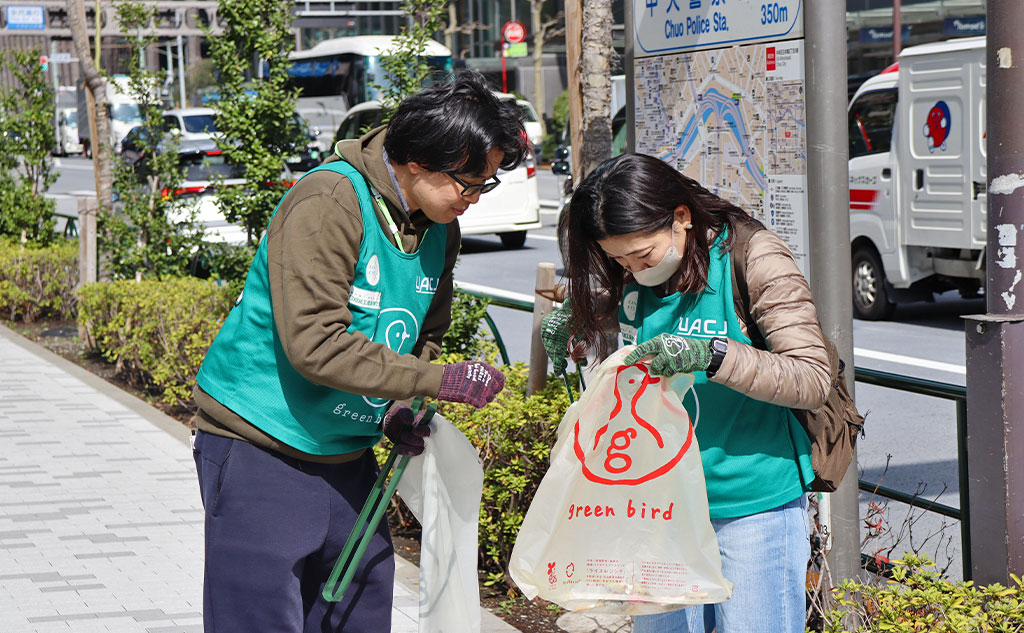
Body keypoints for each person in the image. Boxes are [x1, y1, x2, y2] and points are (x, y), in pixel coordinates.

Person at [191, 70, 527, 632]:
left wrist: (401, 408)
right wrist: (437, 381)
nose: (471, 200)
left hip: (348, 451)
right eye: (466, 184)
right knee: (259, 617)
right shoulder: (329, 200)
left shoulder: (439, 224)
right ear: (416, 161)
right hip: (261, 442)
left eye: (483, 186)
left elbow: (425, 335)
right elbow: (315, 344)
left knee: (360, 607)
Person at [542, 153, 831, 633]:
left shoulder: (753, 257)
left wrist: (711, 355)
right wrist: (585, 318)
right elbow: (644, 316)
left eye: (644, 255)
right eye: (618, 260)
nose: (633, 269)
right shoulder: (638, 279)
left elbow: (811, 377)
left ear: (681, 217)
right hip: (658, 508)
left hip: (750, 503)